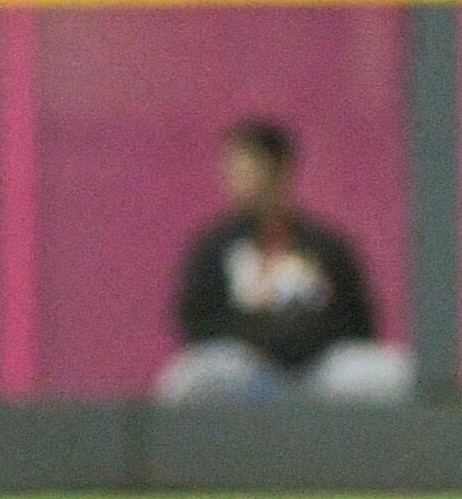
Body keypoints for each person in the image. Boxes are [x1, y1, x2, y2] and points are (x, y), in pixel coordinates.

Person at [156, 119, 413, 402]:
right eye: (234, 170)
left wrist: (300, 340)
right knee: (188, 377)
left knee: (400, 373)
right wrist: (262, 338)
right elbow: (196, 321)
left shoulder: (324, 245)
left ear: (280, 170)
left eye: (250, 169)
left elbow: (359, 321)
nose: (238, 180)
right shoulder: (214, 247)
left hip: (319, 370)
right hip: (249, 372)